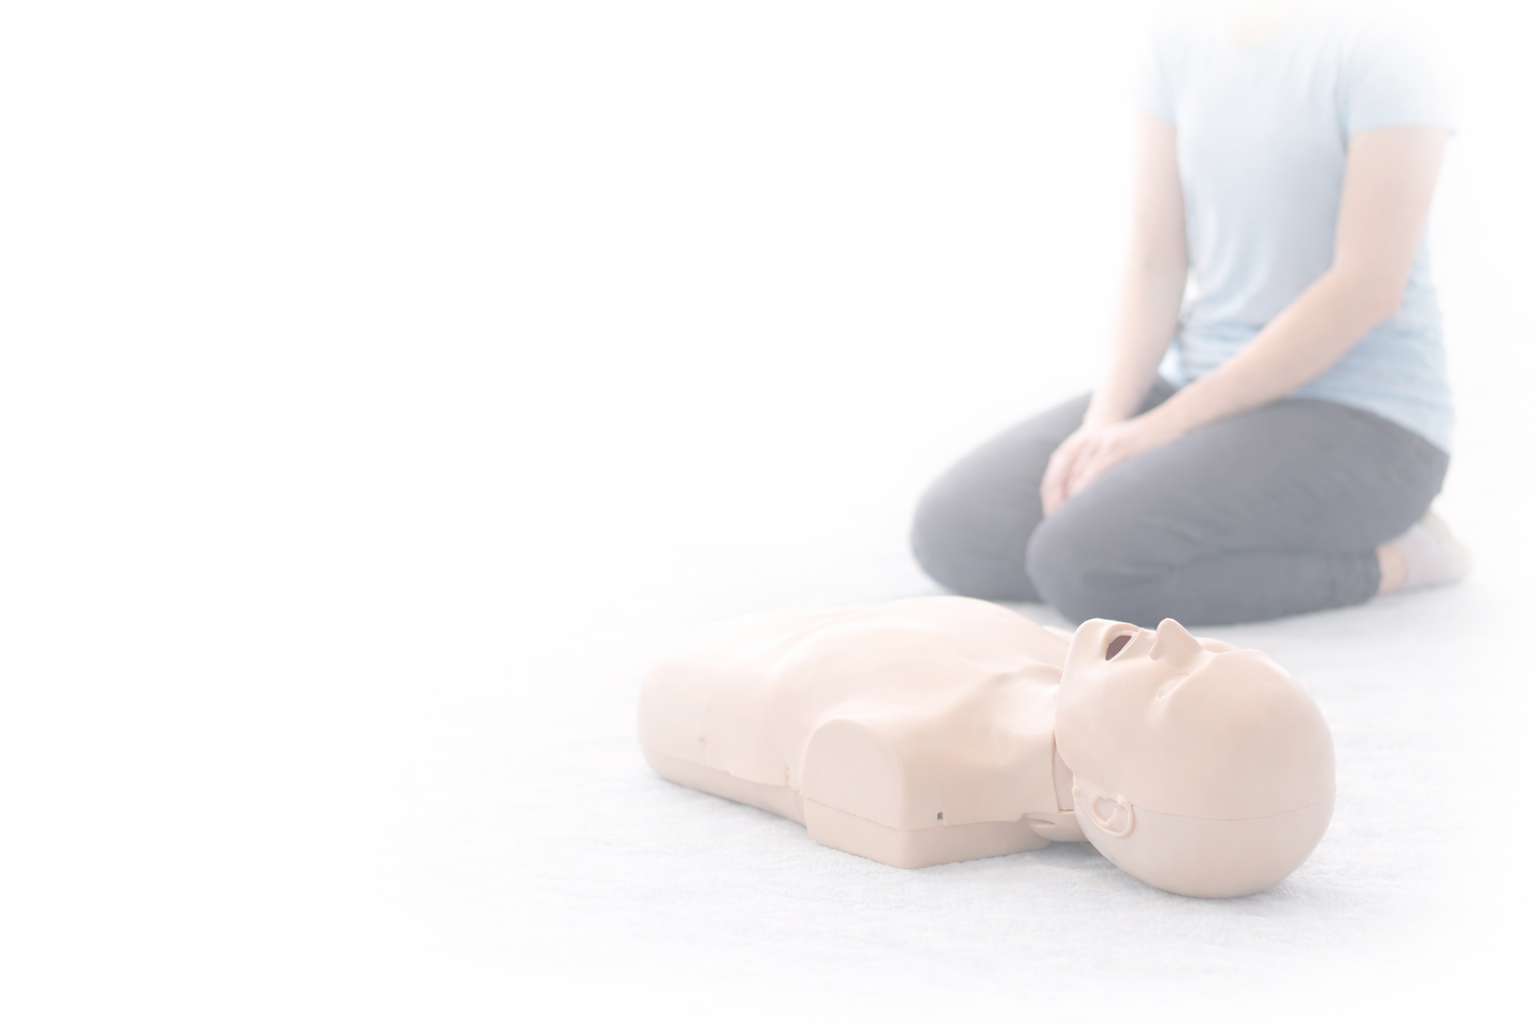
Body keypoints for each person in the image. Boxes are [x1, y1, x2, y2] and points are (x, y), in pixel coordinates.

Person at [910, 2, 1472, 626]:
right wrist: (1104, 426)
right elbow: (1156, 261)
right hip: (1202, 382)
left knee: (1087, 565)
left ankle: (1404, 558)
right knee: (959, 531)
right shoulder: (1178, 40)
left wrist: (1163, 430)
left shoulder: (1385, 50)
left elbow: (1366, 286)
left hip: (1367, 419)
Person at [637, 595, 1335, 897]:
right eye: (1212, 649)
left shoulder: (905, 761)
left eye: (1171, 690)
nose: (1176, 634)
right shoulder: (1073, 668)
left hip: (707, 668)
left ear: (1109, 809)